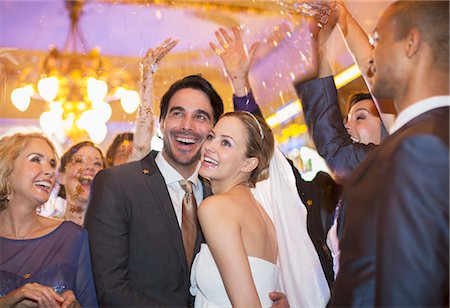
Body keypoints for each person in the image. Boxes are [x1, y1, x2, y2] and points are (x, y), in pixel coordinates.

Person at [190, 111, 278, 307]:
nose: (210, 146)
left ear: (249, 163)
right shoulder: (263, 215)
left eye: (226, 143)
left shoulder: (216, 207)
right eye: (212, 137)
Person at [0, 133, 98, 307]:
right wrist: (10, 301)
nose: (50, 171)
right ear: (7, 169)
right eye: (36, 159)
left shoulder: (72, 237)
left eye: (52, 164)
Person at [39, 141, 106, 225]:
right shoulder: (46, 230)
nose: (89, 167)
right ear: (61, 176)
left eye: (97, 163)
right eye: (79, 161)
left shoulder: (116, 231)